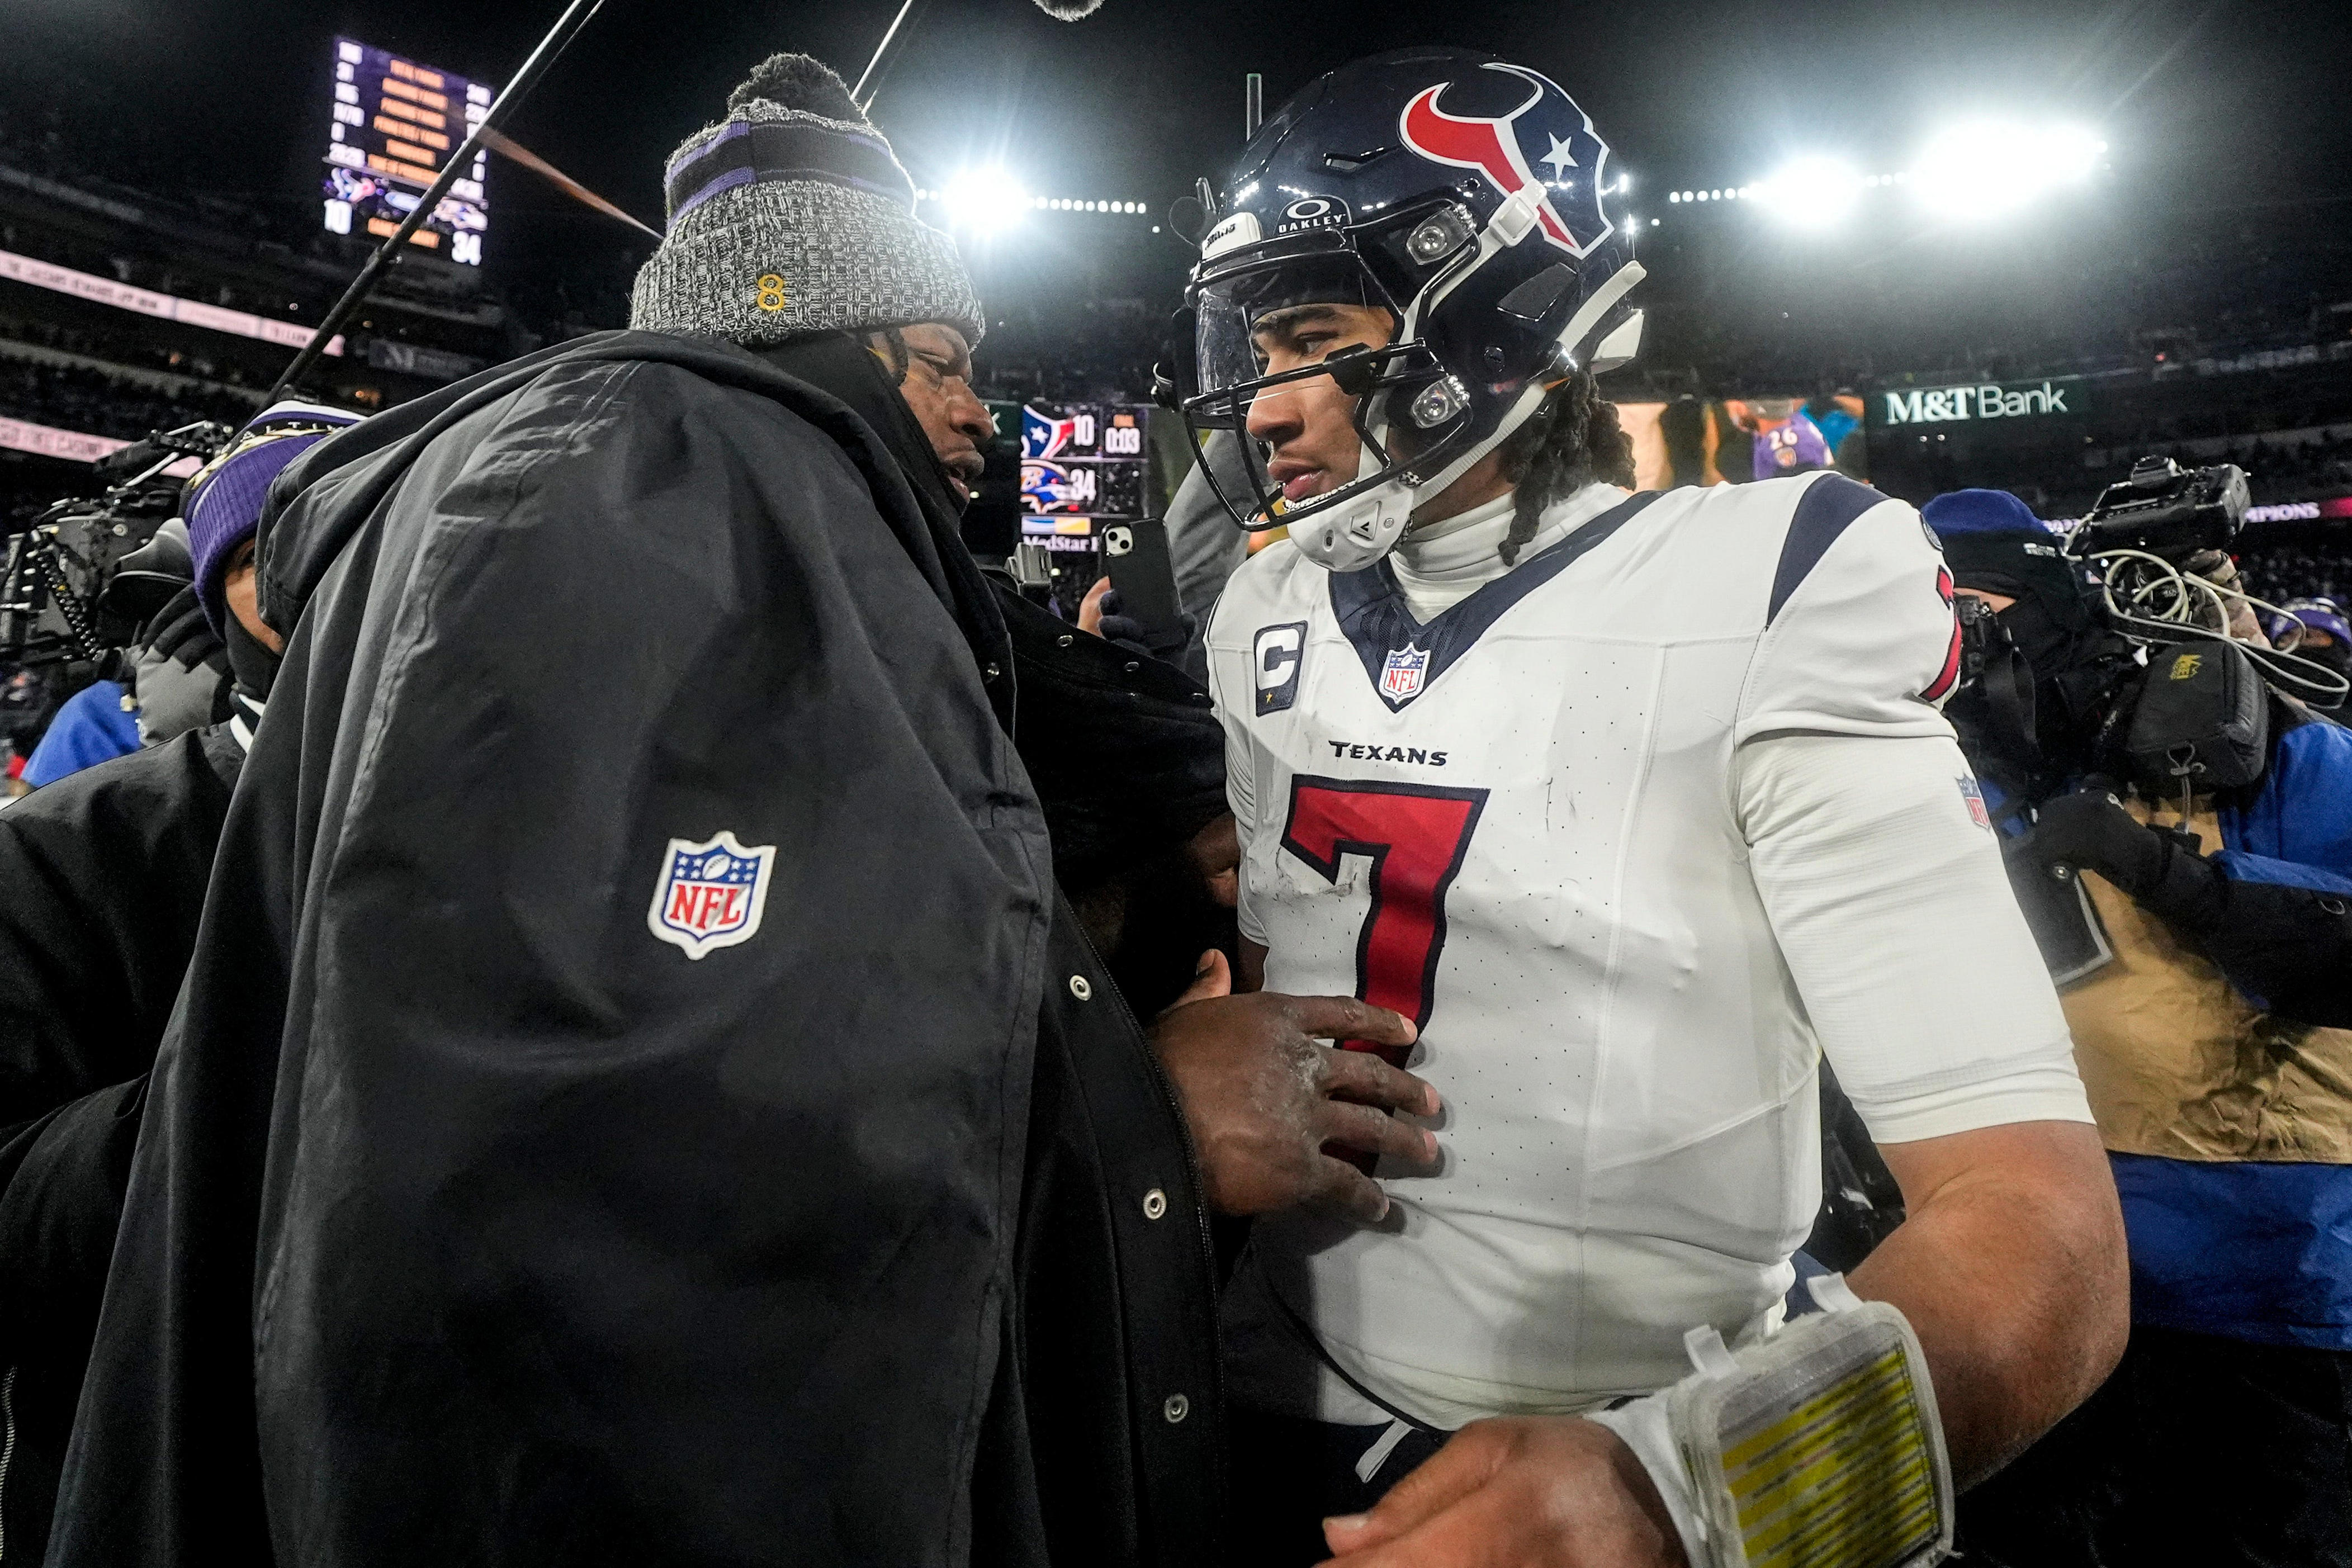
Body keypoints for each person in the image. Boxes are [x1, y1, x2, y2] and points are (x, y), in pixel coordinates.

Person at [49, 55, 1438, 1568]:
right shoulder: (644, 469)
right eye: (939, 356)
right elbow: (615, 1176)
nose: (981, 414)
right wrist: (1137, 1121)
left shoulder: (726, 494)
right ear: (806, 326)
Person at [1181, 49, 2127, 1567]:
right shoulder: (1265, 603)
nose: (1266, 407)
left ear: (1485, 310)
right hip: (1263, 1391)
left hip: (1637, 1418)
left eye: (1310, 336)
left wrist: (1695, 1488)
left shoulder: (1768, 578)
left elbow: (2045, 1234)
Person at [1922, 487, 2352, 1567]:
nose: (1960, 664)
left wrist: (2164, 872)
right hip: (2045, 1292)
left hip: (2264, 1308)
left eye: (1972, 616)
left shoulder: (2285, 761)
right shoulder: (1967, 789)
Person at [0, 400, 353, 1564]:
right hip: (161, 1485)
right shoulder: (66, 849)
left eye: (349, 535)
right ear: (213, 600)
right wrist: (257, 1079)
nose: (312, 578)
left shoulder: (536, 826)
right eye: (265, 551)